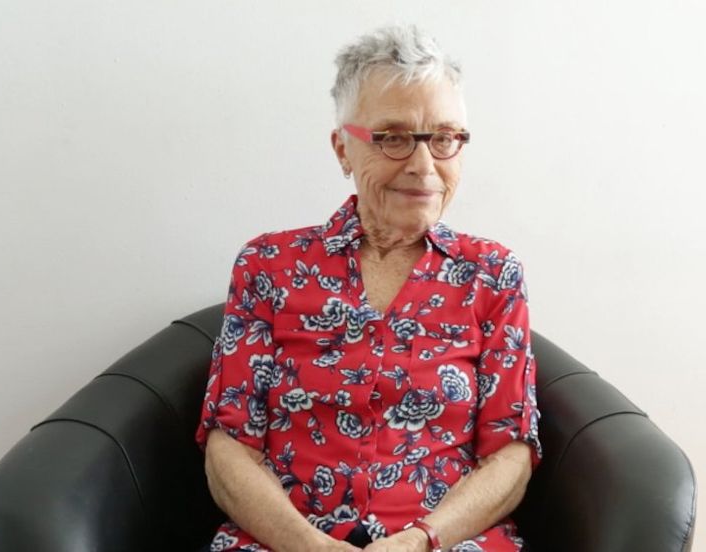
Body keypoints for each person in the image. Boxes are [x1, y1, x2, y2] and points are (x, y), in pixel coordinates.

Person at [196, 25, 541, 552]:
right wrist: (313, 548)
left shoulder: (491, 275)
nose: (424, 166)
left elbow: (509, 455)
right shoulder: (269, 266)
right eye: (393, 137)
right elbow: (229, 448)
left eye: (445, 138)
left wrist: (416, 542)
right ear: (343, 150)